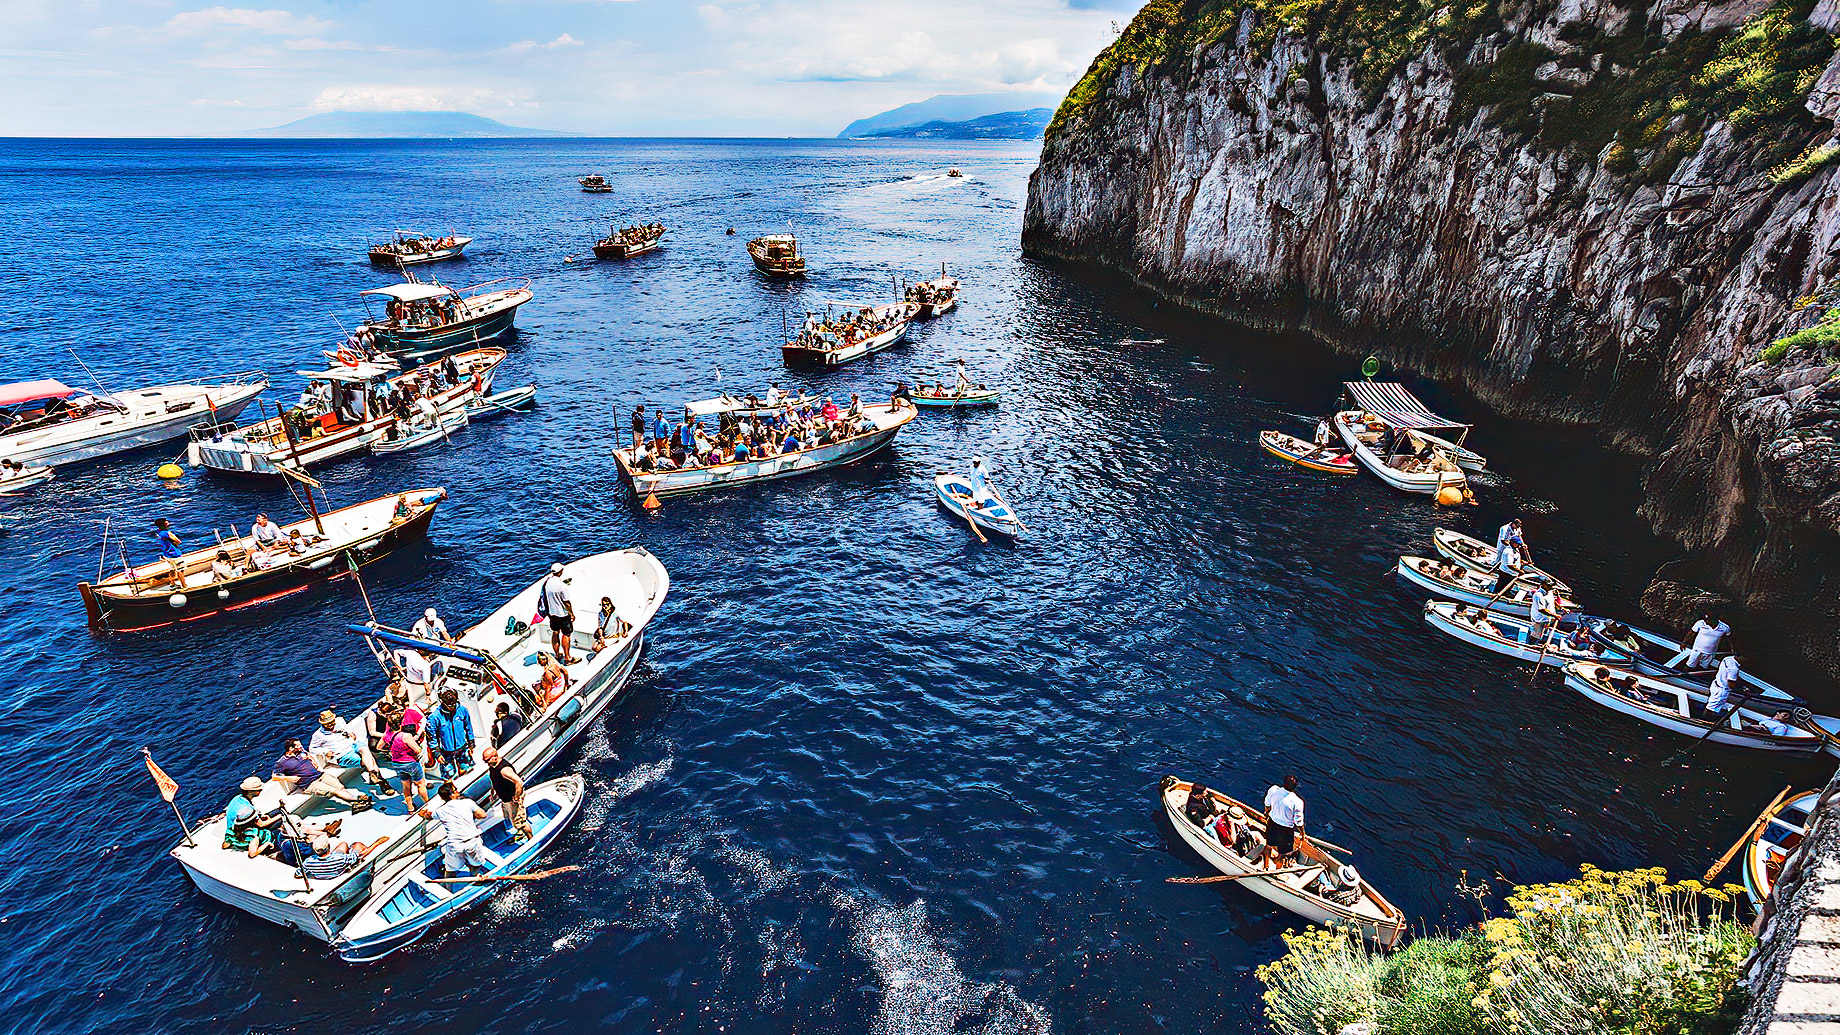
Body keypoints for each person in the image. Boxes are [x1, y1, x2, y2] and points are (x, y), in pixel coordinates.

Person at [271, 739, 375, 809]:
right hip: (310, 784)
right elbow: (274, 777)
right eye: (297, 746)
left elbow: (310, 757)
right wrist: (290, 778)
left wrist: (312, 761)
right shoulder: (282, 762)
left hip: (320, 775)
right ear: (291, 749)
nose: (301, 746)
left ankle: (353, 804)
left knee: (340, 787)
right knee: (334, 791)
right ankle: (358, 798)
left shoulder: (301, 752)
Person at [419, 782, 491, 877]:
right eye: (455, 790)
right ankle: (474, 878)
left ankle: (448, 887)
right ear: (452, 795)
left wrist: (423, 814)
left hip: (455, 845)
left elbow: (429, 816)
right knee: (476, 865)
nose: (458, 791)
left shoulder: (440, 811)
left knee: (450, 870)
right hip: (472, 842)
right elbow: (482, 815)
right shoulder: (467, 802)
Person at [309, 708, 387, 789]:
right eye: (328, 724)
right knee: (369, 760)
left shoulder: (339, 720)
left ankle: (374, 776)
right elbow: (312, 749)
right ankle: (381, 782)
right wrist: (325, 752)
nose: (331, 725)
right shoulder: (318, 735)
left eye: (332, 722)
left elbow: (346, 728)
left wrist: (350, 732)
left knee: (364, 748)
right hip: (342, 755)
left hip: (352, 745)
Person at [223, 777, 285, 858]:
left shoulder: (238, 799)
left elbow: (225, 845)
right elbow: (261, 825)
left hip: (240, 828)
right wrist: (279, 816)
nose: (261, 791)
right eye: (259, 789)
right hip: (253, 832)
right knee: (281, 821)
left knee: (277, 812)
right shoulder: (254, 836)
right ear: (250, 791)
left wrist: (260, 816)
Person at [481, 747, 534, 842]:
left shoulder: (504, 770)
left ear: (494, 757)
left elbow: (519, 782)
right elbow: (494, 779)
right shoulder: (493, 766)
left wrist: (517, 797)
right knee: (512, 818)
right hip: (505, 799)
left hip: (512, 799)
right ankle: (521, 833)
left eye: (487, 760)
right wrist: (493, 792)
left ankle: (531, 839)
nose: (486, 763)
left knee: (521, 822)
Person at [424, 689, 476, 780]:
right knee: (448, 776)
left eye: (454, 704)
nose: (452, 707)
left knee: (466, 769)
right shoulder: (434, 717)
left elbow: (468, 727)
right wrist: (436, 753)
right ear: (442, 702)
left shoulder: (462, 710)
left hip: (462, 747)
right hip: (445, 751)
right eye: (449, 705)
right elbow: (431, 737)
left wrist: (471, 743)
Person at [381, 716, 431, 809]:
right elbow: (418, 750)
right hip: (410, 763)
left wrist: (391, 749)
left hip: (397, 764)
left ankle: (410, 808)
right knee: (420, 784)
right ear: (400, 724)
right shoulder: (405, 736)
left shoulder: (386, 735)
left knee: (406, 787)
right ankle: (427, 803)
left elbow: (379, 747)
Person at [538, 562, 578, 663]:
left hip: (552, 614)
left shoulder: (547, 583)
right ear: (560, 572)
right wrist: (571, 614)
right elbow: (566, 602)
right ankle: (567, 658)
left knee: (555, 633)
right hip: (562, 615)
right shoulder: (562, 586)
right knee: (566, 635)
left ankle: (557, 654)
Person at [1262, 775, 1305, 869]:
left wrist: (1266, 814)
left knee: (1268, 846)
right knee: (1283, 853)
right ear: (1295, 786)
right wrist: (1302, 834)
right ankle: (1277, 869)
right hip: (1286, 830)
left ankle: (1266, 866)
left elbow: (1267, 804)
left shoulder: (1273, 790)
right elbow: (1298, 822)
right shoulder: (1298, 802)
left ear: (1284, 783)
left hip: (1272, 823)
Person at [1666, 613, 1731, 671]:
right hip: (1697, 650)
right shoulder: (1700, 623)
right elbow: (1691, 633)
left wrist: (1732, 648)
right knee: (1689, 665)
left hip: (1710, 653)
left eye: (1708, 620)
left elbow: (1729, 638)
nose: (1706, 621)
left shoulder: (1725, 628)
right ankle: (1683, 677)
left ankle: (1697, 679)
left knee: (1704, 667)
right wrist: (1684, 642)